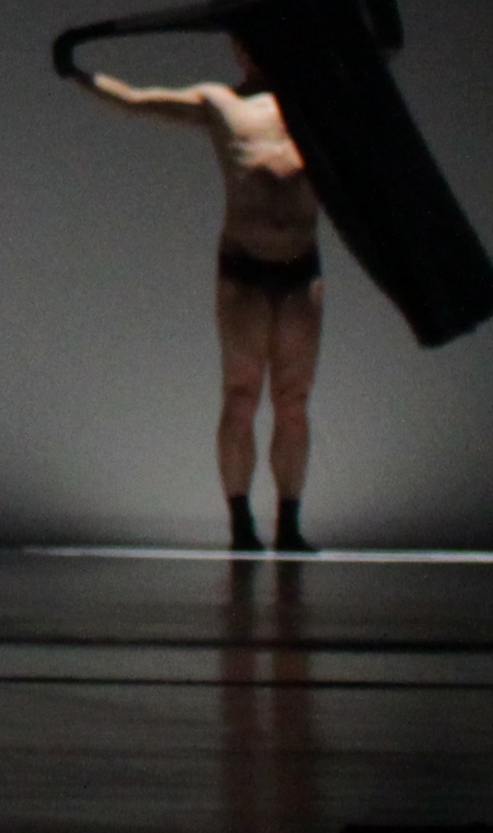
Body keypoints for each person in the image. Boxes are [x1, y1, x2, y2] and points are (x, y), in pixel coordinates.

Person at [75, 40, 323, 551]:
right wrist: (78, 72)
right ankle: (241, 525)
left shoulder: (316, 102)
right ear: (238, 52)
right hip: (244, 267)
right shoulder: (219, 101)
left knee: (293, 399)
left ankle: (289, 526)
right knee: (241, 395)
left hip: (300, 268)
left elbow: (377, 71)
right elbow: (136, 100)